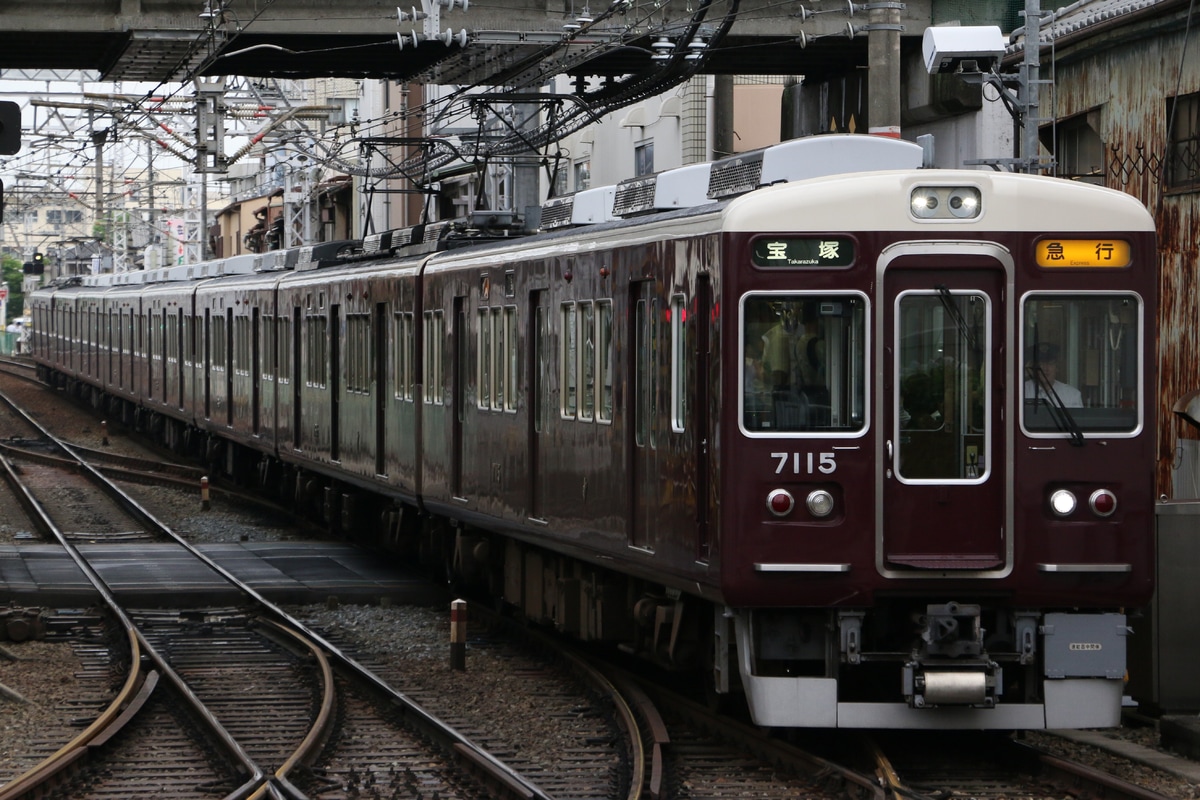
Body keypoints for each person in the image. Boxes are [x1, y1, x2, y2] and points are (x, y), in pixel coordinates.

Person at [1025, 342, 1082, 407]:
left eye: (1050, 363)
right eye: (1041, 364)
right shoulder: (1022, 392)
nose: (1045, 369)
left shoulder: (1072, 395)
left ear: (1057, 367)